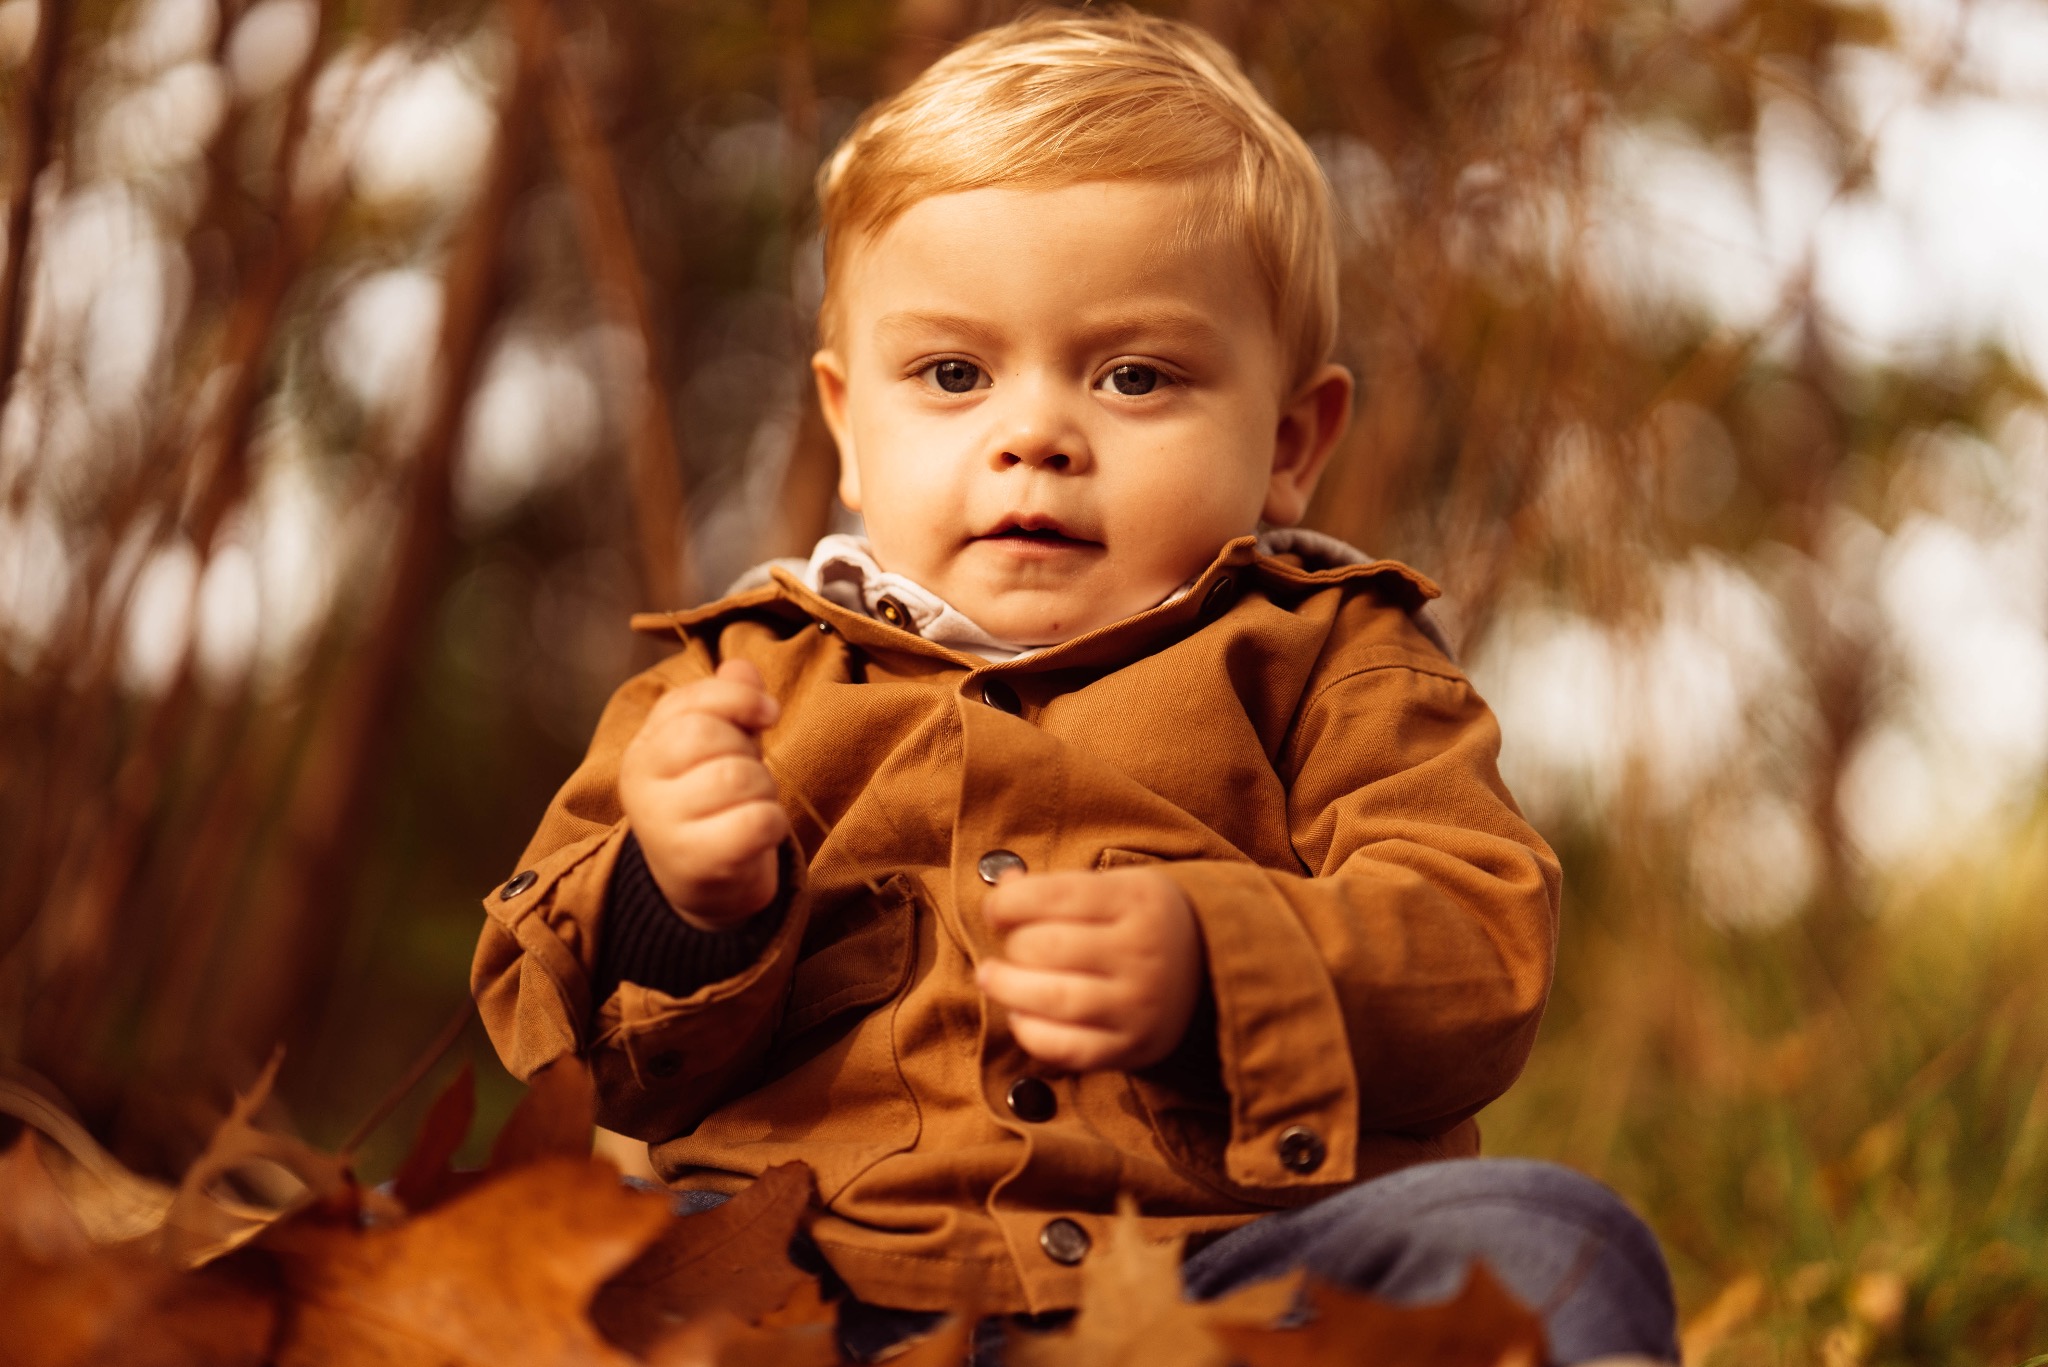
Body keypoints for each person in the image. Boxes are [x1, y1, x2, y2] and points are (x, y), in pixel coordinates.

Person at [471, 9, 1679, 1363]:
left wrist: (1222, 965)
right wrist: (675, 902)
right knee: (557, 1282)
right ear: (846, 426)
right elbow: (555, 1016)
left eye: (1132, 375)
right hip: (808, 1283)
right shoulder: (738, 681)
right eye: (951, 374)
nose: (1034, 434)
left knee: (1542, 1237)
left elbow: (1474, 946)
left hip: (1229, 1275)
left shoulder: (1332, 660)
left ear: (1290, 442)